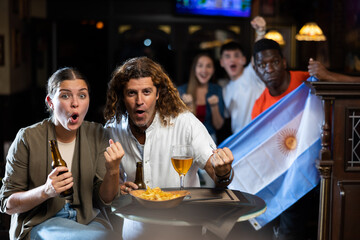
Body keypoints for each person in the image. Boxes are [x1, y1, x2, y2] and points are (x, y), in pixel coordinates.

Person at [104, 56, 234, 240]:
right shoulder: (112, 130)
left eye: (147, 92)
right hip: (135, 232)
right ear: (122, 96)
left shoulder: (185, 123)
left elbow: (220, 179)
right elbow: (105, 190)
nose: (139, 100)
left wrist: (223, 171)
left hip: (183, 231)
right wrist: (118, 187)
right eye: (132, 93)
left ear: (157, 94)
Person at [0, 67, 124, 240]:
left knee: (111, 236)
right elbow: (8, 205)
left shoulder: (98, 134)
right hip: (41, 222)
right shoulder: (27, 138)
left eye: (82, 95)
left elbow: (105, 199)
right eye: (65, 95)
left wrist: (113, 171)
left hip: (87, 220)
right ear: (50, 102)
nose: (75, 103)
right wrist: (46, 190)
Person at [220, 16, 266, 134]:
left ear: (244, 60)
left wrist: (260, 32)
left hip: (260, 134)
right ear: (222, 62)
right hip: (239, 140)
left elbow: (257, 56)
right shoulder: (225, 89)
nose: (232, 60)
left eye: (236, 55)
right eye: (227, 56)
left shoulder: (251, 74)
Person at [178, 52, 225, 144]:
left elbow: (218, 126)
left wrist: (214, 106)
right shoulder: (182, 91)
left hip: (210, 140)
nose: (204, 70)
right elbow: (180, 126)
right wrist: (189, 106)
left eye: (208, 66)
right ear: (194, 69)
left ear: (213, 70)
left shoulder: (216, 90)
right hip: (186, 141)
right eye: (200, 66)